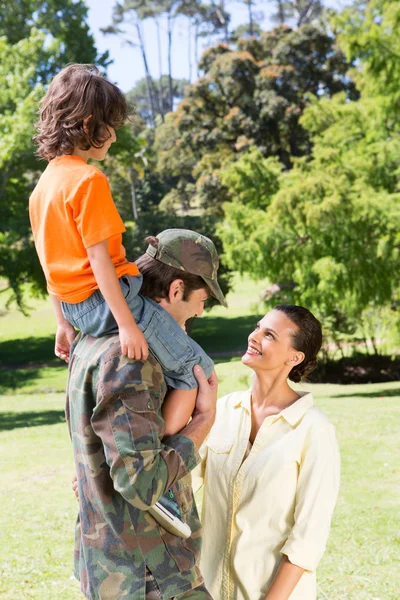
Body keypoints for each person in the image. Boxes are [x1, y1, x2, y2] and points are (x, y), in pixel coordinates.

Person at [28, 63, 227, 529]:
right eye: (110, 128)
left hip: (76, 307)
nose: (113, 138)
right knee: (197, 370)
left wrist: (61, 321)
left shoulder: (43, 188)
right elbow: (100, 262)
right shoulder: (87, 182)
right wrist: (127, 324)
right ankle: (158, 479)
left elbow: (49, 262)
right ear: (85, 125)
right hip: (109, 300)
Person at [67, 230, 226, 600]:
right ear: (175, 290)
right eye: (201, 300)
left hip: (111, 564)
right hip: (152, 573)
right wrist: (203, 421)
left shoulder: (90, 338)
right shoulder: (131, 356)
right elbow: (142, 484)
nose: (201, 311)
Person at [194, 305, 340, 600]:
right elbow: (179, 479)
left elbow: (308, 537)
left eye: (269, 335)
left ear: (294, 357)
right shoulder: (222, 410)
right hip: (207, 590)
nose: (254, 336)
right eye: (258, 327)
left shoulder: (314, 430)